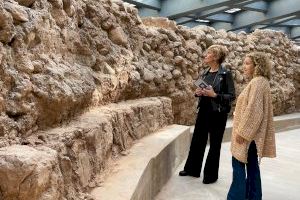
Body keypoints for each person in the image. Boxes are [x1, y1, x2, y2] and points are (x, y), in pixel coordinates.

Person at [179, 44, 236, 184]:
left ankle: (210, 175)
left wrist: (215, 95)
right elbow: (201, 89)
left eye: (209, 53)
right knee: (197, 140)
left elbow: (232, 95)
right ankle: (192, 169)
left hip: (218, 113)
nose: (205, 55)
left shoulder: (225, 74)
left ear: (216, 57)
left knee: (215, 144)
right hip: (204, 110)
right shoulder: (205, 73)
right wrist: (197, 93)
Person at [227, 52, 276, 200]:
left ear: (257, 65)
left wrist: (243, 133)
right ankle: (253, 196)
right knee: (253, 168)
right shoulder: (261, 81)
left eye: (248, 63)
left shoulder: (257, 82)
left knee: (238, 165)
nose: (244, 66)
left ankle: (236, 197)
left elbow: (254, 111)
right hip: (253, 136)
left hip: (248, 136)